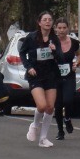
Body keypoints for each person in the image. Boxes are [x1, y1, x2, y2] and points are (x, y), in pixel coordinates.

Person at [18, 11, 59, 148]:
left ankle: (43, 138)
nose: (48, 22)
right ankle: (34, 124)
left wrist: (54, 51)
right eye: (45, 19)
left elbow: (61, 58)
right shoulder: (32, 37)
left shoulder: (54, 38)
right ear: (39, 22)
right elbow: (22, 53)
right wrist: (28, 66)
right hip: (35, 75)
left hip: (50, 75)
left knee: (50, 107)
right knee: (41, 106)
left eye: (50, 19)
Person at [51, 18, 80, 141]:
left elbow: (79, 54)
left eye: (64, 28)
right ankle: (60, 131)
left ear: (68, 28)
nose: (62, 30)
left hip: (69, 75)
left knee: (68, 100)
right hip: (55, 76)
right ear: (56, 29)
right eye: (59, 28)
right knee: (58, 105)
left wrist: (76, 63)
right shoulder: (51, 42)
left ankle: (67, 118)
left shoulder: (74, 42)